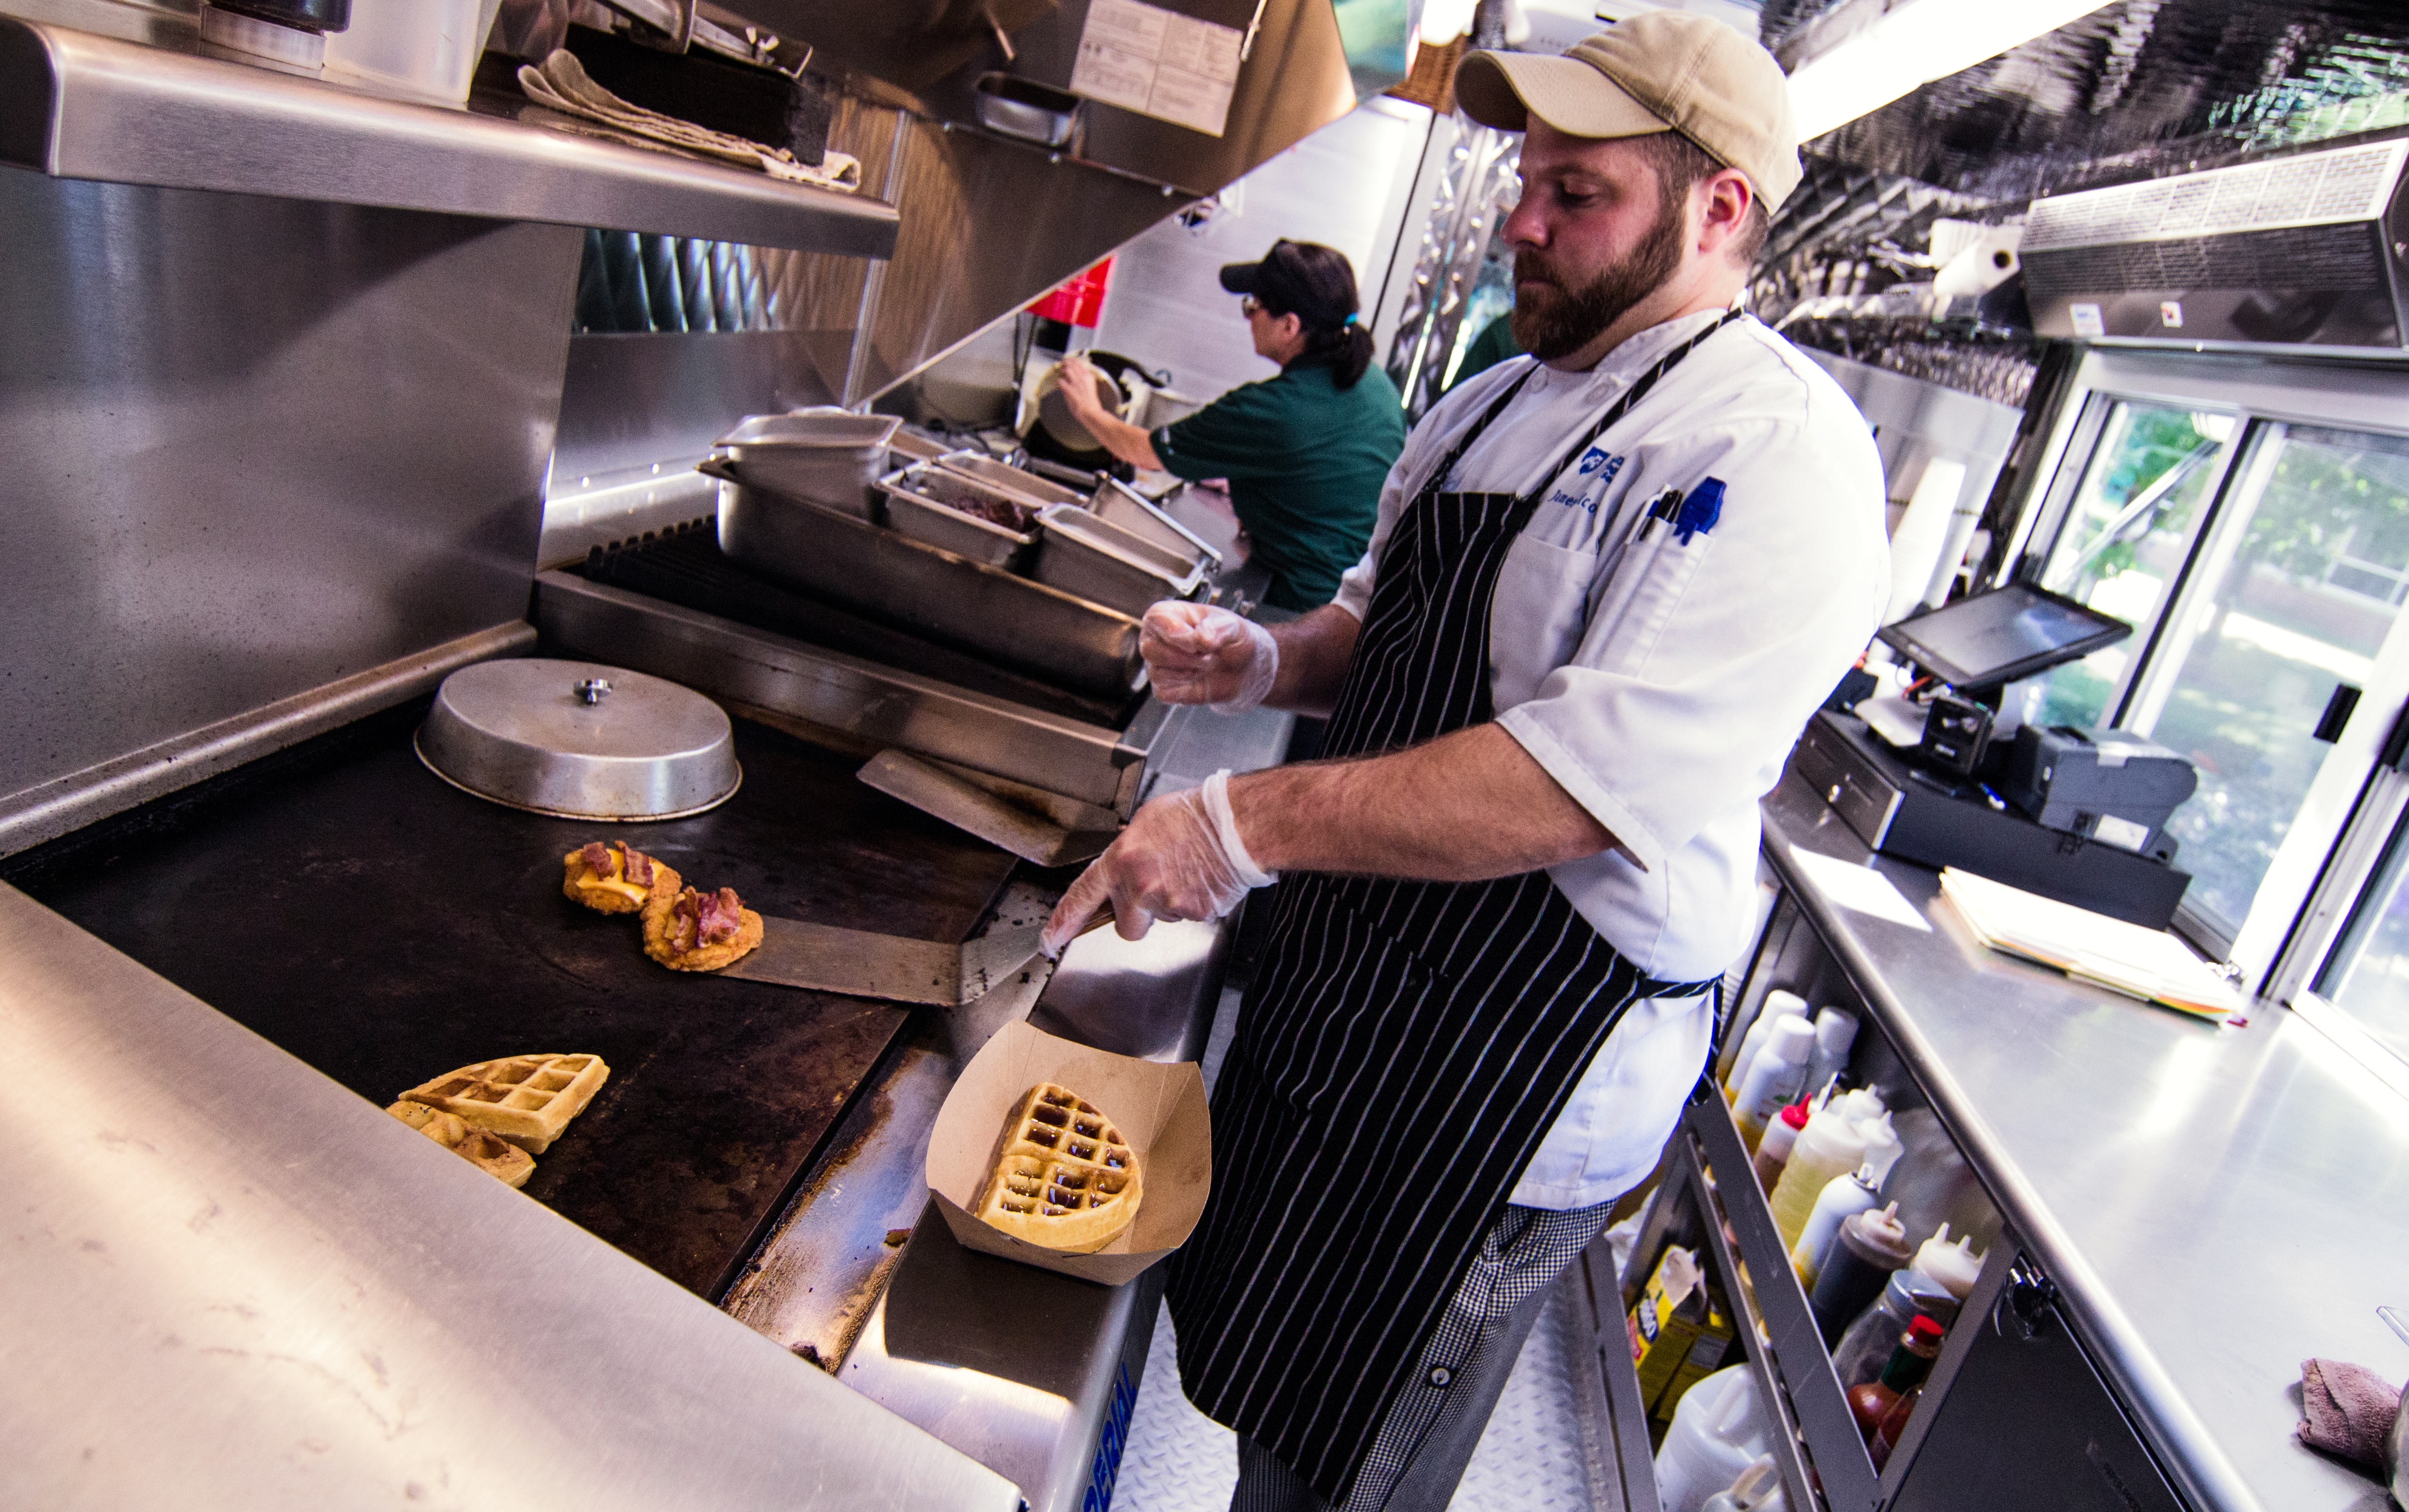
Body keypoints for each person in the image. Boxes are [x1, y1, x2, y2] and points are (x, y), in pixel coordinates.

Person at [1040, 14, 1889, 1512]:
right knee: (1262, 1392)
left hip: (1504, 1072)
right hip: (1352, 987)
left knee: (1347, 1471)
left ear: (1717, 209)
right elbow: (1378, 621)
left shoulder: (1775, 453)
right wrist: (1265, 659)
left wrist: (1234, 820)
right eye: (1528, 179)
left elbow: (1569, 785)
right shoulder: (1490, 400)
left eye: (1578, 194)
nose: (1522, 221)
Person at [1055, 241, 1408, 612]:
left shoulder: (1272, 410)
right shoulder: (1377, 386)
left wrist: (1088, 409)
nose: (1248, 317)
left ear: (1290, 325)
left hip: (1293, 609)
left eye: (1253, 306)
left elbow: (1142, 452)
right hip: (1356, 609)